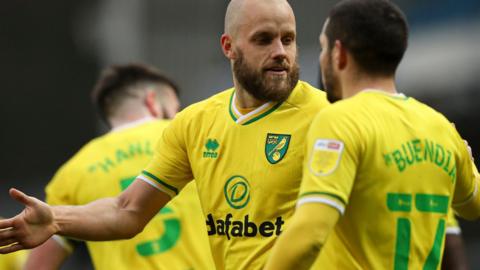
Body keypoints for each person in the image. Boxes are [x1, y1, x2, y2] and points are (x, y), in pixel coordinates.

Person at [0, 0, 330, 269]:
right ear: (229, 47)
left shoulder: (328, 116)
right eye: (264, 39)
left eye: (288, 39)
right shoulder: (195, 122)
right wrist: (55, 219)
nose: (281, 52)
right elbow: (126, 211)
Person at [264, 0, 480, 269]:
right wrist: (466, 161)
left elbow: (311, 233)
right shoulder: (442, 129)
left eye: (323, 47)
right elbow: (473, 206)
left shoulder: (341, 120)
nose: (321, 58)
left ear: (339, 54)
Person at [22, 63, 214, 270]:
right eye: (176, 109)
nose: (178, 116)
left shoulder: (72, 172)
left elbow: (37, 266)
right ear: (152, 102)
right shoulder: (193, 137)